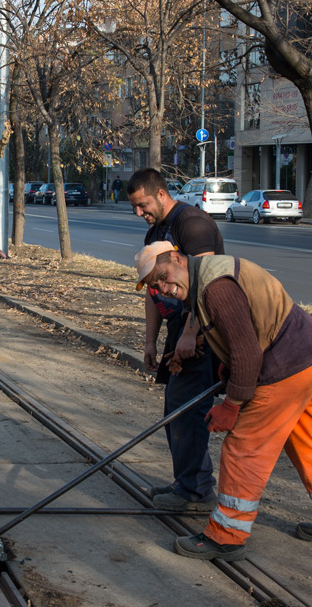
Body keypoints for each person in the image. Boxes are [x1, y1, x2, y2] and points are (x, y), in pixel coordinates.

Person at [134, 242, 312, 561]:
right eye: (154, 286)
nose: (162, 287)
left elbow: (246, 353)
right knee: (307, 442)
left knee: (244, 447)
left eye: (162, 276)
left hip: (287, 363)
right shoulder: (203, 280)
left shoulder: (215, 288)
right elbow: (240, 338)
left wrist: (231, 406)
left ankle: (226, 536)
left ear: (177, 258)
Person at [126, 168, 222, 515]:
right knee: (176, 409)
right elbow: (153, 291)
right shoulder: (155, 233)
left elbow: (206, 283)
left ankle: (196, 493)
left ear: (161, 193)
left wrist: (190, 334)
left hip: (201, 331)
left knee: (189, 408)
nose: (140, 213)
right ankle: (186, 482)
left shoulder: (192, 223)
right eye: (135, 208)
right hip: (178, 331)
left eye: (143, 204)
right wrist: (151, 341)